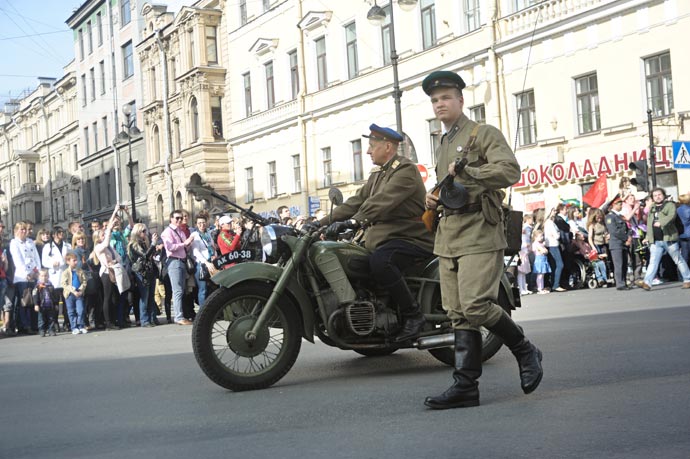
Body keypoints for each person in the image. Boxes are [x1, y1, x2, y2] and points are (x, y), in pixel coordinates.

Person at [421, 70, 542, 409]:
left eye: (445, 97)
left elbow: (509, 171)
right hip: (449, 234)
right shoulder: (444, 142)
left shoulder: (482, 133)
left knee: (476, 305)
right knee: (457, 313)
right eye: (434, 100)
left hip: (479, 230)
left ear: (461, 100)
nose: (439, 103)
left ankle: (525, 350)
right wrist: (434, 196)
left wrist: (470, 172)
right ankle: (465, 387)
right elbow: (451, 186)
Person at [320, 123, 434, 342]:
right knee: (356, 263)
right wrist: (321, 223)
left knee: (381, 262)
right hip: (385, 239)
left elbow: (380, 202)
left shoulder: (406, 171)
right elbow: (355, 202)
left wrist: (354, 221)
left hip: (411, 238)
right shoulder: (377, 175)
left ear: (388, 146)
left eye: (372, 146)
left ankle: (414, 315)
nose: (368, 151)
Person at [637, 187, 690, 290]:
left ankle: (687, 279)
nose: (657, 197)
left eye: (659, 195)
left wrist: (661, 222)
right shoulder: (652, 208)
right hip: (656, 241)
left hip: (668, 238)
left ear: (664, 195)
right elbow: (649, 224)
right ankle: (647, 283)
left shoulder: (669, 205)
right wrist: (648, 237)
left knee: (678, 260)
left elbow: (671, 216)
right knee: (653, 262)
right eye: (655, 195)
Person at [161, 209, 195, 325]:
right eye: (177, 218)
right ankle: (178, 316)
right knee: (177, 290)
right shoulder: (167, 232)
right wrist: (184, 244)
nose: (179, 220)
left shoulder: (180, 231)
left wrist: (188, 244)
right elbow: (169, 247)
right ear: (171, 219)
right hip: (174, 262)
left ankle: (181, 315)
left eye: (181, 218)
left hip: (182, 261)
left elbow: (185, 248)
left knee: (181, 290)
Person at [10, 221, 42, 334]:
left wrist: (37, 271)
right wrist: (27, 274)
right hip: (22, 277)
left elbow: (36, 257)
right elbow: (18, 260)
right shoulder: (14, 243)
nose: (23, 231)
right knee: (24, 302)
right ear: (16, 231)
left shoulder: (30, 242)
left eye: (25, 229)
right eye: (21, 229)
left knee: (34, 301)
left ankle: (34, 324)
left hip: (34, 275)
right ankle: (24, 325)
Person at [128, 223, 159, 327]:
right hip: (141, 273)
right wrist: (153, 244)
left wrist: (153, 246)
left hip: (149, 271)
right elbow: (145, 256)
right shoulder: (133, 245)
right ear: (137, 232)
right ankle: (144, 320)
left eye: (146, 231)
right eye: (143, 231)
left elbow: (151, 255)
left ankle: (151, 318)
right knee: (144, 297)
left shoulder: (145, 243)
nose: (145, 233)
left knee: (151, 296)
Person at [42, 226, 71, 331]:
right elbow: (44, 261)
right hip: (54, 277)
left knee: (66, 302)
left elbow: (71, 258)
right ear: (54, 235)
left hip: (65, 276)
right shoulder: (47, 247)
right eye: (59, 233)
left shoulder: (67, 245)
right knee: (54, 303)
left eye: (62, 232)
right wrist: (52, 263)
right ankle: (55, 324)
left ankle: (67, 323)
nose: (61, 234)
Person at [605, 194, 632, 290]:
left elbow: (628, 227)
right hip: (616, 243)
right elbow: (614, 231)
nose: (621, 206)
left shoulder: (620, 216)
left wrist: (629, 236)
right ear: (614, 205)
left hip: (623, 243)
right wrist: (626, 238)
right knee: (619, 264)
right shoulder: (610, 217)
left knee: (624, 264)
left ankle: (624, 282)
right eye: (619, 204)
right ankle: (620, 284)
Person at [190, 212, 216, 309]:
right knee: (203, 289)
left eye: (204, 222)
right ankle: (202, 310)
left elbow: (212, 247)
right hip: (201, 265)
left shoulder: (208, 234)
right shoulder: (195, 235)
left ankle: (211, 309)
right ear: (196, 224)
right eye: (199, 223)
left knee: (211, 288)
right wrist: (206, 262)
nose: (202, 225)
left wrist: (214, 255)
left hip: (211, 262)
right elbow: (196, 252)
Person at [61, 252, 88, 334]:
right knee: (71, 311)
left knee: (80, 310)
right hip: (69, 295)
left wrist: (80, 290)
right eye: (74, 260)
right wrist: (73, 290)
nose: (76, 262)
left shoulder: (80, 271)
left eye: (76, 260)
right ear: (68, 261)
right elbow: (64, 283)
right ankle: (74, 327)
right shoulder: (65, 272)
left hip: (79, 294)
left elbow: (84, 281)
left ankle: (81, 326)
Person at [544, 207, 566, 292]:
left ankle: (554, 284)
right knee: (560, 264)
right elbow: (556, 236)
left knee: (554, 266)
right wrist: (558, 234)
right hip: (553, 245)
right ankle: (556, 284)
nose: (554, 212)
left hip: (552, 245)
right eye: (553, 211)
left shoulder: (549, 222)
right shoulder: (549, 223)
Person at [32, 269, 58, 337]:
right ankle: (42, 330)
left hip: (50, 305)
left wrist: (56, 304)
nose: (44, 277)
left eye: (45, 276)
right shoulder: (37, 286)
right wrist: (36, 304)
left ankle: (51, 330)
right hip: (41, 306)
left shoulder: (51, 286)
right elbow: (35, 296)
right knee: (41, 319)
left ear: (48, 276)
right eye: (42, 276)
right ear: (39, 277)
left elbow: (54, 296)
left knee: (51, 319)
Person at [517, 214, 533, 295]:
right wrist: (526, 245)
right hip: (522, 253)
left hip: (525, 252)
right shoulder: (521, 233)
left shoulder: (524, 233)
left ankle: (524, 288)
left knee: (523, 272)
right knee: (521, 272)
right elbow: (519, 244)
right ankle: (521, 288)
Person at [531, 229, 551, 294]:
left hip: (543, 259)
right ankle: (539, 288)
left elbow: (545, 251)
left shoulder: (541, 244)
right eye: (540, 236)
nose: (542, 237)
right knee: (539, 275)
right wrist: (544, 250)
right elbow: (543, 251)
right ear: (535, 237)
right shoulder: (535, 244)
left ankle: (541, 287)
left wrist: (544, 250)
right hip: (539, 260)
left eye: (542, 236)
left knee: (542, 275)